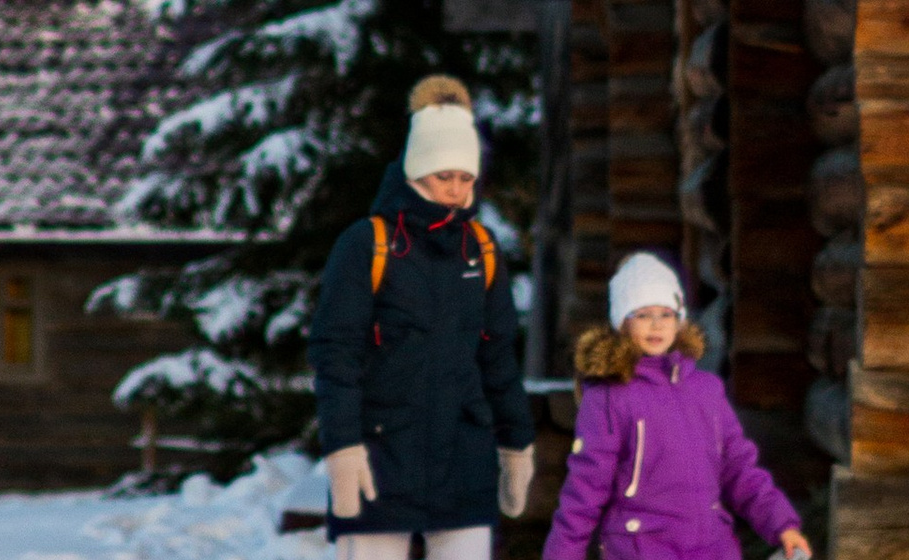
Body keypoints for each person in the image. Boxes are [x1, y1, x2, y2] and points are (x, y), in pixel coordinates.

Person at [308, 75, 536, 560]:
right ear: (416, 171)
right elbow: (336, 353)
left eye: (466, 178)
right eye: (443, 176)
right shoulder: (366, 244)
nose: (456, 189)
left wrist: (516, 444)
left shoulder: (482, 249)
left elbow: (498, 357)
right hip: (379, 456)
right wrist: (342, 447)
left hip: (464, 458)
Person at [542, 253, 811, 560]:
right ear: (623, 322)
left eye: (666, 314)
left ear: (679, 320)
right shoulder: (609, 396)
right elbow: (586, 489)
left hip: (713, 546)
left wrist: (781, 524)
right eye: (643, 314)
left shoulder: (706, 390)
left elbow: (739, 467)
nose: (657, 325)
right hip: (642, 548)